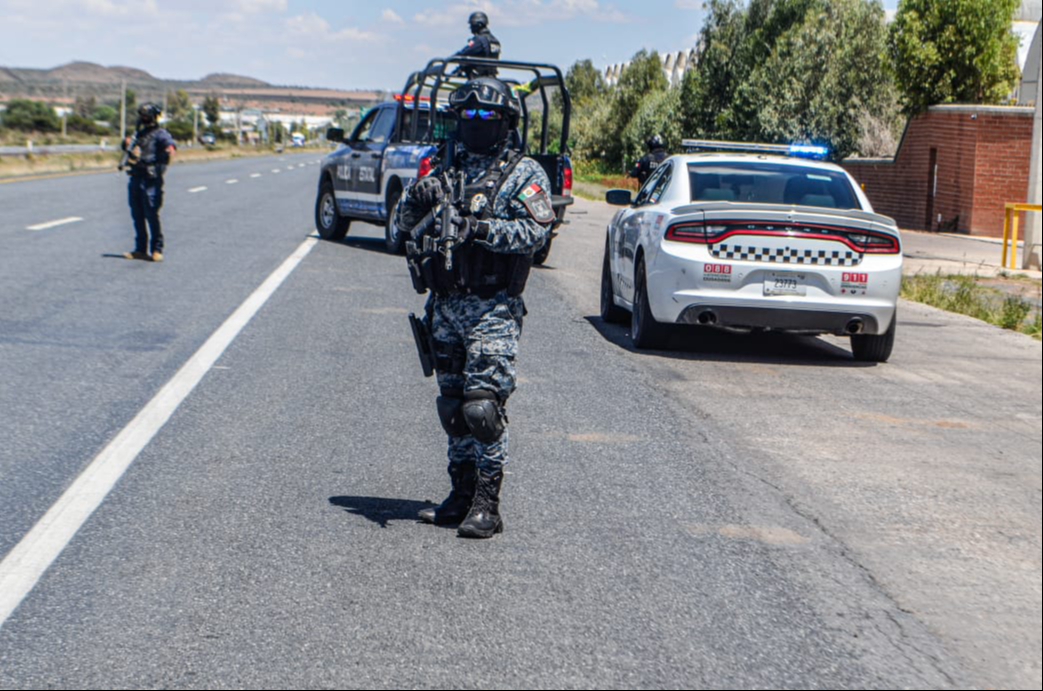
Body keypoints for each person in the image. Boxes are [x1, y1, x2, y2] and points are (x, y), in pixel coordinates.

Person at [398, 77, 555, 540]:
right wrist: (416, 200)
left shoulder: (524, 174)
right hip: (444, 305)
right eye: (467, 116)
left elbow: (536, 233)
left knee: (482, 411)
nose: (476, 124)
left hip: (493, 309)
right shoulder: (445, 168)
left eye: (486, 116)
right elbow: (401, 227)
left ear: (504, 122)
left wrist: (479, 228)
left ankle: (488, 504)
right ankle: (460, 496)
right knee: (452, 409)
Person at [122, 103, 176, 262]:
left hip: (151, 179)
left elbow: (170, 146)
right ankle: (140, 249)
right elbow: (128, 149)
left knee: (151, 213)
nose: (143, 118)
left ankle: (156, 249)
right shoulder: (139, 134)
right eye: (142, 115)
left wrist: (169, 151)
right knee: (137, 214)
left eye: (146, 115)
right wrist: (126, 144)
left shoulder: (161, 133)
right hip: (136, 176)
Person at [453, 11, 501, 77]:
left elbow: (463, 53)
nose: (470, 27)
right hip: (491, 77)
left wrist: (450, 58)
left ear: (477, 24)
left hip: (479, 78)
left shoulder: (479, 40)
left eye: (471, 24)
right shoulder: (494, 40)